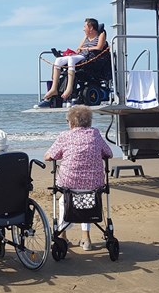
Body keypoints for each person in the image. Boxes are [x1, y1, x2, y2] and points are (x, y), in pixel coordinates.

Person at [44, 105, 112, 250]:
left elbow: (48, 156)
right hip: (94, 183)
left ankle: (63, 236)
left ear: (72, 122)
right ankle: (86, 238)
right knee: (87, 199)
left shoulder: (65, 136)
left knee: (64, 200)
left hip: (69, 182)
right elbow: (109, 153)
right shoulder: (95, 134)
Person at [36, 18, 106, 108]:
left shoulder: (101, 34)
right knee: (58, 60)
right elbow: (79, 48)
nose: (83, 29)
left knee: (71, 60)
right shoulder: (85, 37)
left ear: (91, 27)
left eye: (85, 26)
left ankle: (69, 89)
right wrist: (73, 53)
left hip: (89, 57)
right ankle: (54, 89)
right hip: (80, 55)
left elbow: (99, 47)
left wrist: (86, 49)